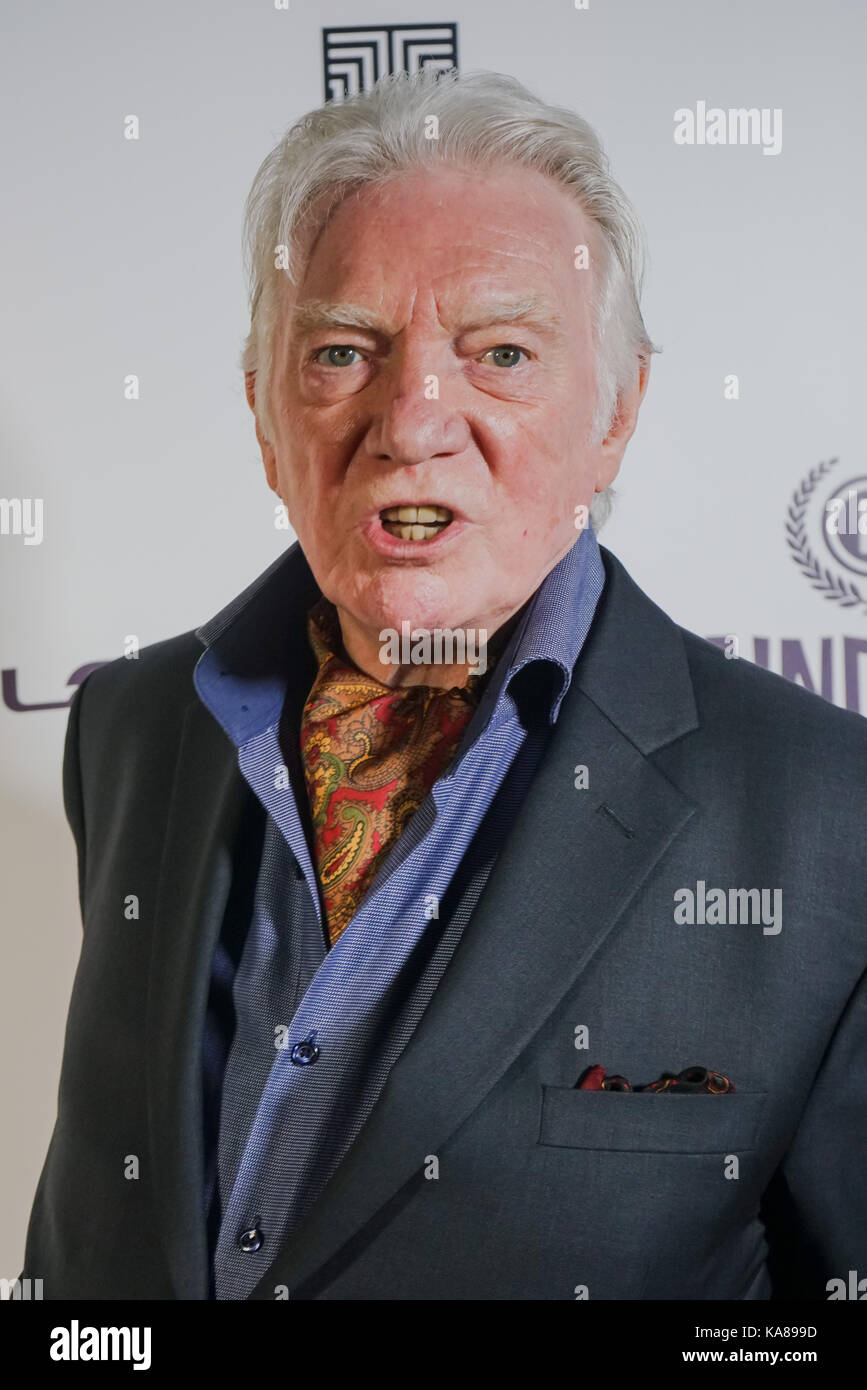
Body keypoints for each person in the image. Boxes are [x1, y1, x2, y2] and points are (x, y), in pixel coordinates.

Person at [22, 67, 867, 1300]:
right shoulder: (133, 727)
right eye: (343, 351)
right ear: (263, 409)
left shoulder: (827, 815)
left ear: (618, 411)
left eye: (502, 352)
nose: (414, 419)